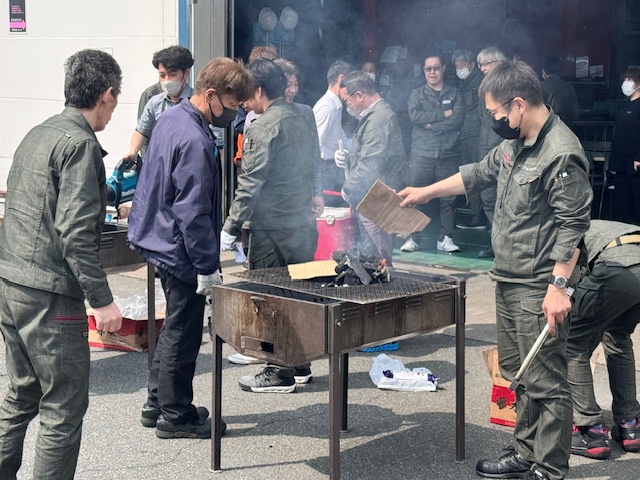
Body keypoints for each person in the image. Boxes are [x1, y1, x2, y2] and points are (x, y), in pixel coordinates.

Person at [399, 58, 593, 480]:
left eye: (496, 113)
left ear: (518, 104)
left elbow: (573, 225)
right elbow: (476, 174)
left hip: (538, 285)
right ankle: (525, 453)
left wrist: (558, 287)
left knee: (546, 380)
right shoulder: (515, 144)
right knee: (518, 374)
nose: (494, 121)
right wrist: (425, 192)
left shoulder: (560, 152)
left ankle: (549, 468)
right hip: (507, 278)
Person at [0, 49, 124, 480]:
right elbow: (74, 233)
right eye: (115, 99)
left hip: (11, 281)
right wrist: (102, 300)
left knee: (21, 395)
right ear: (106, 94)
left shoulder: (39, 133)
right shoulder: (81, 145)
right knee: (63, 406)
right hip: (49, 294)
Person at [128, 57, 254, 438]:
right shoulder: (196, 141)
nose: (234, 113)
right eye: (231, 105)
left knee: (173, 328)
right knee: (183, 333)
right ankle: (176, 415)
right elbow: (194, 213)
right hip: (180, 248)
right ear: (211, 95)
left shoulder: (171, 118)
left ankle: (157, 402)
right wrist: (207, 266)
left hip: (162, 239)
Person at [220, 59, 323, 393]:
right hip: (302, 224)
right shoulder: (304, 115)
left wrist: (230, 227)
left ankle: (278, 371)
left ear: (260, 89)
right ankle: (300, 363)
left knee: (270, 300)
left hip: (271, 228)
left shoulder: (263, 127)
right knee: (300, 297)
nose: (242, 101)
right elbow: (315, 161)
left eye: (246, 93)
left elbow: (250, 183)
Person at [567, 219, 640, 459]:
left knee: (572, 343)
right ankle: (630, 425)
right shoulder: (596, 225)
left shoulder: (565, 231)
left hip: (616, 268)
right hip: (633, 264)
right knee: (618, 337)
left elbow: (571, 284)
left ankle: (590, 431)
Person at [335, 70, 406, 264]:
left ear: (359, 96)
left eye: (347, 100)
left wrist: (348, 188)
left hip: (376, 199)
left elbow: (370, 163)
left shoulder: (378, 120)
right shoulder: (374, 116)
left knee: (378, 259)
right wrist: (348, 158)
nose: (347, 106)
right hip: (372, 195)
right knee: (371, 256)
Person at [401, 52, 464, 253]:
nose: (432, 72)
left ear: (443, 69)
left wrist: (433, 125)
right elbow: (414, 116)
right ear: (423, 71)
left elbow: (458, 119)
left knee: (449, 198)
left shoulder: (455, 93)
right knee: (414, 196)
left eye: (436, 68)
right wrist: (443, 114)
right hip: (422, 153)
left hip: (447, 153)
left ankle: (446, 238)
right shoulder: (416, 94)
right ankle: (413, 237)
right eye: (428, 69)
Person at [123, 46, 195, 163]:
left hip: (190, 165)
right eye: (162, 75)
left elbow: (215, 142)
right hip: (160, 165)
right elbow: (142, 131)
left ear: (186, 73)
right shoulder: (154, 102)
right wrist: (133, 152)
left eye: (172, 74)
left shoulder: (198, 102)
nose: (166, 80)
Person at [473, 46, 507, 258]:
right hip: (485, 147)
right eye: (481, 65)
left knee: (506, 199)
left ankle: (504, 247)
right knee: (488, 198)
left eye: (487, 63)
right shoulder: (483, 87)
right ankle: (496, 244)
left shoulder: (510, 85)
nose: (483, 68)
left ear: (499, 63)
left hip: (504, 148)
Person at [451, 49, 486, 230]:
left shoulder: (479, 82)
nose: (459, 69)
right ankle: (478, 215)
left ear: (472, 65)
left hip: (474, 136)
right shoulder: (464, 83)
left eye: (462, 65)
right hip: (467, 134)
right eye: (457, 66)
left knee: (473, 175)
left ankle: (479, 217)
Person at [313, 60, 354, 207]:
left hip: (333, 168)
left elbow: (340, 136)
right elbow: (315, 145)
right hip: (325, 170)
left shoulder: (335, 106)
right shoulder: (327, 107)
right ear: (341, 79)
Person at [609, 67, 640, 225]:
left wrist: (638, 157)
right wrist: (613, 163)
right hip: (621, 164)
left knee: (636, 201)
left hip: (634, 165)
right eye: (625, 79)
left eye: (630, 80)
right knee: (622, 203)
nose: (625, 83)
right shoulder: (625, 106)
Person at [541, 55, 580, 130]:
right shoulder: (569, 86)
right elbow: (576, 112)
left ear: (544, 71)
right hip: (568, 129)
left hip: (549, 129)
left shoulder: (541, 86)